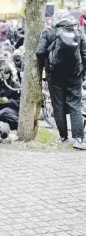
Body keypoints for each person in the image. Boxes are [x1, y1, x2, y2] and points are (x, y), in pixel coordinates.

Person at [36, 10, 86, 150]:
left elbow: (39, 52)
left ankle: (63, 138)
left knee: (58, 105)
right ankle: (79, 140)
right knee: (75, 104)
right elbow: (84, 54)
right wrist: (82, 73)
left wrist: (49, 62)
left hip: (55, 75)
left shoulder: (49, 32)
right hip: (74, 75)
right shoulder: (78, 32)